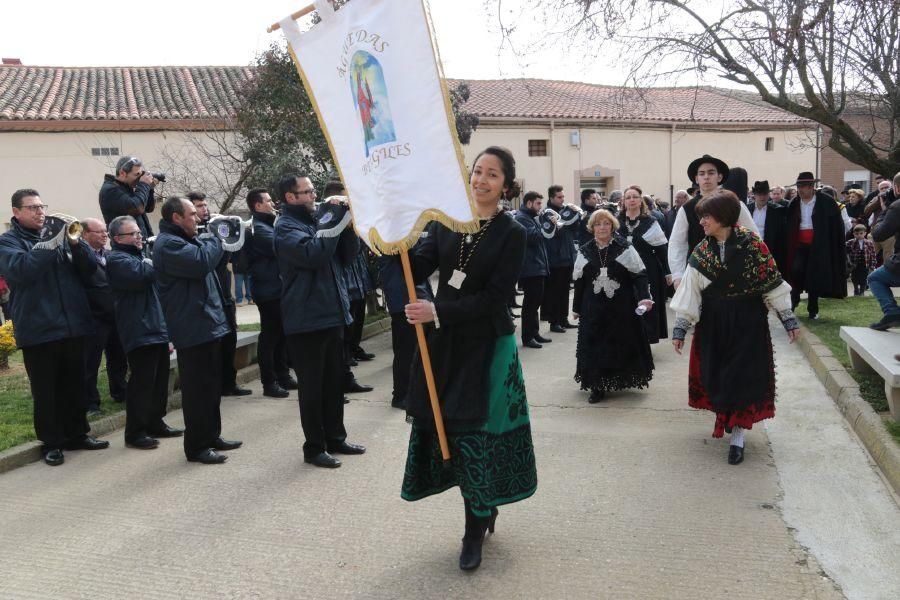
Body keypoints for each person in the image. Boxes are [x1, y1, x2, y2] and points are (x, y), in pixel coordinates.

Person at [402, 146, 537, 572]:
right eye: (477, 171)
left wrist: (437, 311)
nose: (481, 179)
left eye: (492, 174)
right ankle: (482, 507)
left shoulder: (513, 232)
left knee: (477, 436)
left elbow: (497, 298)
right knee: (450, 434)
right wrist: (392, 244)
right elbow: (420, 262)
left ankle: (473, 530)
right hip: (445, 344)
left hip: (488, 348)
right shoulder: (446, 220)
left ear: (507, 185)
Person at [671, 190, 800, 466]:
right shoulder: (703, 250)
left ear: (724, 217)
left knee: (742, 375)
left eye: (707, 216)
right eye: (702, 217)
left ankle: (738, 435)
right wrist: (681, 328)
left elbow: (771, 281)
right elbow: (690, 290)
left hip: (747, 319)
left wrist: (788, 318)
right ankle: (726, 418)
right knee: (718, 373)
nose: (702, 222)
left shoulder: (753, 245)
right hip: (714, 321)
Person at [0, 189, 109, 466]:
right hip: (39, 327)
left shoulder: (60, 236)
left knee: (75, 384)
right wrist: (49, 243)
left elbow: (90, 270)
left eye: (41, 206)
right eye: (32, 208)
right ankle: (52, 442)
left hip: (73, 324)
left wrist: (76, 244)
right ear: (16, 212)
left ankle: (77, 434)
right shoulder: (7, 242)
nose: (40, 212)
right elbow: (22, 271)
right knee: (46, 390)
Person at [274, 174, 366, 469]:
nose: (315, 196)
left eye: (314, 190)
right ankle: (314, 447)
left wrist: (347, 224)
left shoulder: (316, 220)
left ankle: (336, 438)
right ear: (290, 197)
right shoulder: (285, 227)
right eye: (307, 192)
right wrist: (333, 218)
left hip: (332, 313)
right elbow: (314, 254)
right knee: (312, 389)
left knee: (333, 382)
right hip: (307, 319)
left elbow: (348, 256)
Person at [154, 196, 242, 464]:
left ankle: (211, 435)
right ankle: (197, 446)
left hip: (208, 323)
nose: (199, 217)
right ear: (176, 218)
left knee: (211, 386)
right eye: (192, 214)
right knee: (196, 391)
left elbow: (211, 261)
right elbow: (201, 262)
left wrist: (221, 239)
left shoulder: (188, 239)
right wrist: (216, 235)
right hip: (191, 327)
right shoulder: (168, 244)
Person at [106, 216, 182, 449]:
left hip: (155, 326)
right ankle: (135, 432)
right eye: (133, 234)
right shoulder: (117, 259)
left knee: (159, 380)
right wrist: (153, 260)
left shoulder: (139, 256)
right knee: (142, 382)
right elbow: (144, 275)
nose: (139, 237)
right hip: (138, 328)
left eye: (139, 233)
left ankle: (155, 422)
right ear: (118, 238)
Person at [573, 209, 655, 403]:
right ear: (592, 228)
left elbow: (639, 274)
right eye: (598, 224)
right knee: (594, 344)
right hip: (592, 307)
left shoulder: (624, 247)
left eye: (606, 223)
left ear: (612, 226)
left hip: (621, 306)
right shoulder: (585, 250)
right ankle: (597, 385)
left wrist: (644, 297)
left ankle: (616, 377)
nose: (602, 227)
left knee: (618, 342)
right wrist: (576, 308)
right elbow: (579, 281)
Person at [187, 192, 251, 397]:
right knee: (214, 345)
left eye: (205, 205)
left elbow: (230, 257)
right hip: (208, 296)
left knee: (229, 339)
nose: (203, 209)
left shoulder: (215, 225)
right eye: (198, 206)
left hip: (224, 292)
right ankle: (215, 385)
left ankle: (229, 383)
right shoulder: (192, 234)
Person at [668, 154, 758, 288]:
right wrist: (678, 275)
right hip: (698, 273)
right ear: (696, 179)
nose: (706, 177)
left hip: (734, 272)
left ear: (719, 177)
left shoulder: (734, 204)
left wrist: (754, 268)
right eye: (702, 173)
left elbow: (753, 237)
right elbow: (677, 243)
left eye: (711, 173)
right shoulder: (687, 209)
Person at [245, 188, 297, 398]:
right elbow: (280, 244)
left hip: (277, 288)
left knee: (281, 336)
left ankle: (283, 376)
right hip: (268, 290)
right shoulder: (258, 228)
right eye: (267, 201)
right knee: (270, 337)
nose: (273, 204)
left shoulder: (268, 224)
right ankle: (270, 382)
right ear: (257, 206)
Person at [378, 233, 434, 409]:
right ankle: (401, 394)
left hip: (408, 294)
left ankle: (409, 391)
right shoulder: (394, 233)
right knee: (406, 350)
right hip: (404, 296)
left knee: (410, 349)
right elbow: (408, 265)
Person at [79, 218, 128, 415]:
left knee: (118, 357)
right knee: (90, 362)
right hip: (94, 318)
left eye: (105, 231)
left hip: (115, 315)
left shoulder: (110, 255)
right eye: (99, 232)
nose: (104, 235)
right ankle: (91, 403)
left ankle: (120, 392)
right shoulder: (80, 258)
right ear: (85, 235)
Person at [784, 172, 849, 319]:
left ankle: (813, 309)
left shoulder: (826, 202)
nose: (801, 190)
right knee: (796, 270)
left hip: (819, 246)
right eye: (799, 186)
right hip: (799, 245)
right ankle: (794, 300)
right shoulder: (794, 203)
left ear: (812, 187)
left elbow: (836, 226)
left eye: (804, 186)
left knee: (814, 277)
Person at [618, 186, 670, 343]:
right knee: (624, 305)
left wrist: (668, 272)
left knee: (645, 303)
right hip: (622, 270)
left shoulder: (650, 222)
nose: (632, 200)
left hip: (648, 270)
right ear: (624, 202)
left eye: (635, 197)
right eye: (628, 197)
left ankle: (645, 340)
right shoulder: (616, 221)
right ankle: (627, 340)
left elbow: (662, 250)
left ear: (641, 201)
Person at [514, 191, 554, 348]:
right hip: (530, 268)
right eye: (538, 203)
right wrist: (547, 223)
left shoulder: (530, 217)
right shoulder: (522, 218)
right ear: (529, 203)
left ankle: (534, 333)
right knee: (530, 304)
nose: (540, 207)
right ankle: (527, 337)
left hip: (537, 266)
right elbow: (533, 237)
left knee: (535, 303)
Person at [99, 156, 159, 252]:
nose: (139, 178)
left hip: (140, 245)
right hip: (126, 249)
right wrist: (144, 185)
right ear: (122, 173)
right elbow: (136, 208)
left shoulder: (126, 187)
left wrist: (150, 188)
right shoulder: (110, 190)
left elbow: (147, 208)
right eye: (136, 175)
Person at [541, 184, 578, 332]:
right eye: (559, 197)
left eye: (563, 196)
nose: (562, 199)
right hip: (555, 258)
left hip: (567, 256)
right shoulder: (547, 214)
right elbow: (551, 234)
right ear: (551, 198)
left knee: (564, 290)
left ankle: (563, 319)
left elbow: (573, 231)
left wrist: (576, 217)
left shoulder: (566, 211)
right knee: (554, 292)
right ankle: (554, 321)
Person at [867, 173, 900, 331]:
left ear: (897, 188)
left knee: (875, 278)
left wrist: (885, 210)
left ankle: (892, 312)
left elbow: (879, 234)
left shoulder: (897, 206)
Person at [749, 180, 788, 274]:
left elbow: (782, 234)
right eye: (759, 194)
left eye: (765, 194)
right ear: (754, 195)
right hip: (750, 249)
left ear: (768, 194)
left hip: (770, 249)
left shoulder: (777, 210)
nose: (762, 197)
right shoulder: (747, 209)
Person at [846, 224, 877, 296]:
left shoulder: (869, 243)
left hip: (865, 263)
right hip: (854, 264)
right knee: (854, 278)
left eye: (861, 233)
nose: (859, 235)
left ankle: (862, 291)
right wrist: (848, 260)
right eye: (856, 234)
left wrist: (872, 265)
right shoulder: (850, 242)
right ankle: (856, 290)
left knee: (864, 278)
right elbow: (844, 248)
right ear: (853, 234)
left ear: (865, 233)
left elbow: (873, 254)